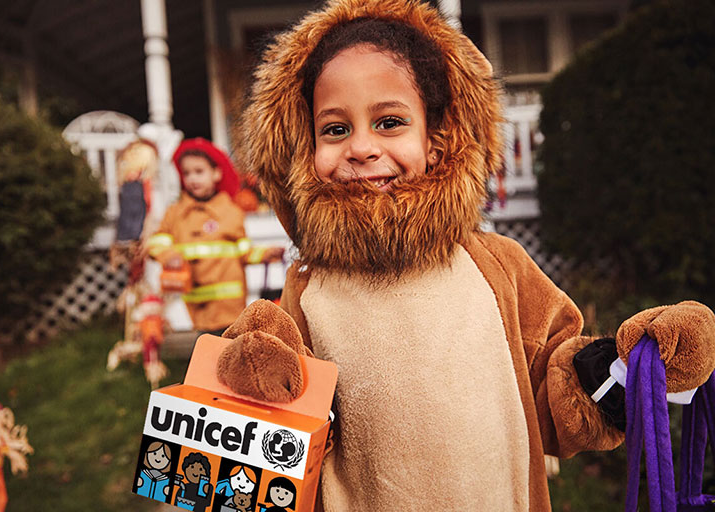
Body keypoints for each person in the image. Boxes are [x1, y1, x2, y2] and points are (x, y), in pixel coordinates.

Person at [214, 0, 715, 511]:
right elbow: (284, 448)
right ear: (305, 149)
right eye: (335, 129)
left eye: (389, 122)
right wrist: (263, 384)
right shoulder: (310, 289)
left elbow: (552, 391)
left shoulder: (498, 265)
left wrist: (623, 371)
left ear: (436, 139)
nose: (361, 146)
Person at [147, 138, 284, 335]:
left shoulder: (231, 212)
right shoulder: (175, 214)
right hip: (198, 305)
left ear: (216, 173)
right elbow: (157, 242)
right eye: (187, 173)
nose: (192, 179)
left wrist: (265, 254)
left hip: (231, 305)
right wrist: (169, 256)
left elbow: (243, 252)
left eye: (199, 172)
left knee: (234, 351)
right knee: (208, 351)